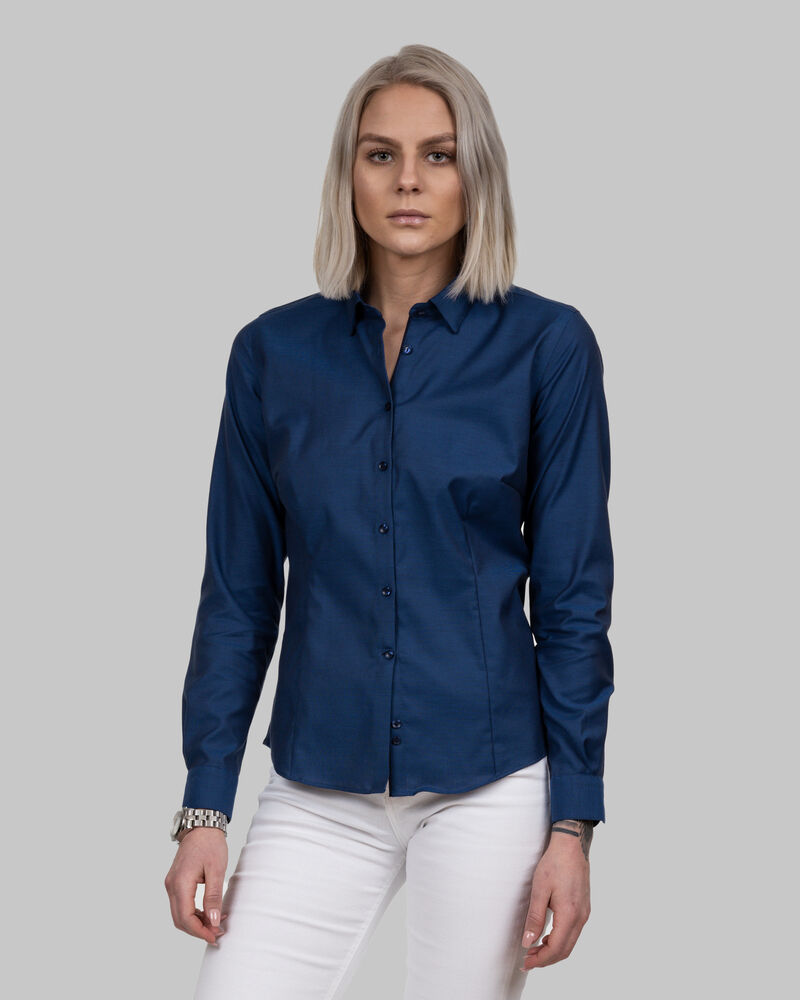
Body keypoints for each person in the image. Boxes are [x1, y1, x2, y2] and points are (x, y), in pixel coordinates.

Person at [164, 43, 614, 1000]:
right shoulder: (271, 354)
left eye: (438, 155)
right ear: (349, 175)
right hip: (318, 785)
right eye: (381, 154)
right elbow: (238, 598)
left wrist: (572, 823)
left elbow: (573, 599)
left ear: (475, 176)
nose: (408, 180)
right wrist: (205, 807)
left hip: (487, 782)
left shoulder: (548, 347)